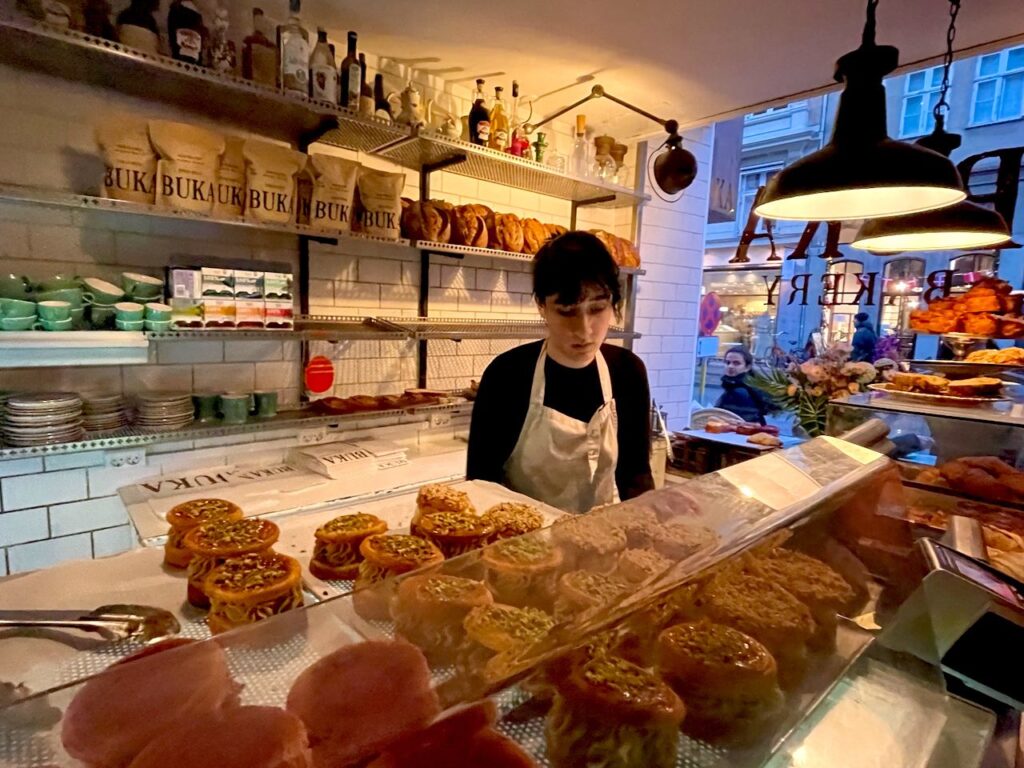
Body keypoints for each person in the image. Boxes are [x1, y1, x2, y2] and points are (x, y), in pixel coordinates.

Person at [466, 231, 654, 513]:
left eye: (598, 308)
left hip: (599, 538)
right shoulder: (508, 374)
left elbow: (635, 476)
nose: (585, 330)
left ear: (615, 303)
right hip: (520, 545)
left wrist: (652, 522)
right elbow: (480, 484)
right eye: (567, 311)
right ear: (542, 306)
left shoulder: (627, 371)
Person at [714, 346, 768, 425]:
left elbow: (737, 422)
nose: (730, 366)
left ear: (747, 367)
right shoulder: (743, 385)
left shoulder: (740, 391)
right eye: (727, 362)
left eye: (736, 363)